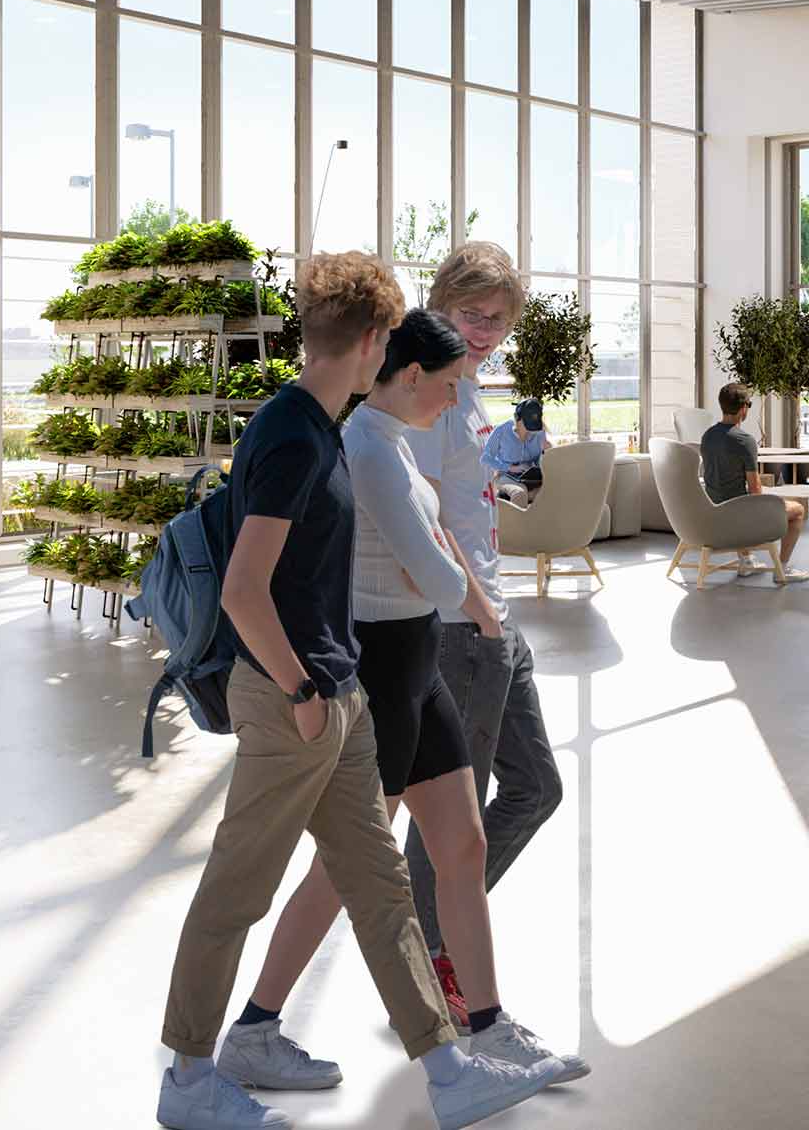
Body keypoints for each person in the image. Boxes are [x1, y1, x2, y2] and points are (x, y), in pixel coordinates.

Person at [155, 258, 559, 1130]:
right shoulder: (305, 436)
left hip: (342, 693)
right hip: (295, 697)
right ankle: (190, 1080)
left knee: (379, 886)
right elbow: (244, 589)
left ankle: (452, 1070)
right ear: (379, 342)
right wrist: (303, 687)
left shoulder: (319, 425)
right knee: (239, 890)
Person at [238, 307, 586, 1092]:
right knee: (346, 871)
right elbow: (432, 576)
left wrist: (453, 580)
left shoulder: (392, 444)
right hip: (382, 672)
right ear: (412, 373)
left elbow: (435, 548)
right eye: (452, 384)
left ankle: (493, 1024)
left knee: (462, 847)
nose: (456, 401)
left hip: (420, 667)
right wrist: (449, 580)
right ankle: (256, 1026)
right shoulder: (367, 446)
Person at [400, 246, 569, 1047]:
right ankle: (439, 963)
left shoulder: (466, 392)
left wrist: (514, 462)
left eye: (499, 318)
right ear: (440, 303)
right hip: (463, 627)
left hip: (495, 615)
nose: (486, 330)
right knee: (449, 820)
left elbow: (473, 495)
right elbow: (422, 517)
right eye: (472, 314)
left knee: (536, 788)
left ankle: (431, 939)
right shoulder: (424, 390)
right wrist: (480, 611)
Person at [702, 382, 806, 577]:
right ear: (743, 408)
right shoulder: (744, 441)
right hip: (739, 517)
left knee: (742, 497)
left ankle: (747, 560)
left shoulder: (707, 436)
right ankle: (781, 569)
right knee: (798, 510)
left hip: (714, 512)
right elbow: (755, 490)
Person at [480, 396, 547, 491]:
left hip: (531, 479)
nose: (530, 431)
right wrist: (510, 468)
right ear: (517, 418)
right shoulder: (502, 431)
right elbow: (485, 458)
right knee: (519, 493)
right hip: (505, 475)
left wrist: (544, 457)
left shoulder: (539, 432)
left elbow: (539, 458)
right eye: (527, 425)